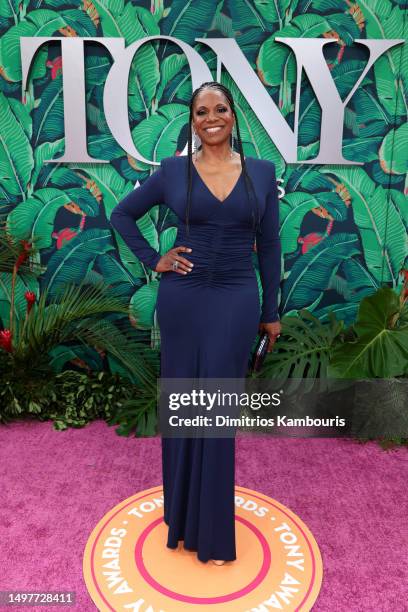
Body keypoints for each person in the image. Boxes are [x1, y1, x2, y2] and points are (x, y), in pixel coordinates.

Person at [110, 81, 281, 566]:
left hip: (236, 298)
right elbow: (123, 215)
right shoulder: (172, 172)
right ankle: (182, 519)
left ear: (233, 115)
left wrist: (272, 312)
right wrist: (154, 260)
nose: (211, 117)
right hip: (184, 299)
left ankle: (212, 532)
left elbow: (269, 248)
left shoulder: (262, 174)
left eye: (220, 108)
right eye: (202, 110)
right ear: (192, 119)